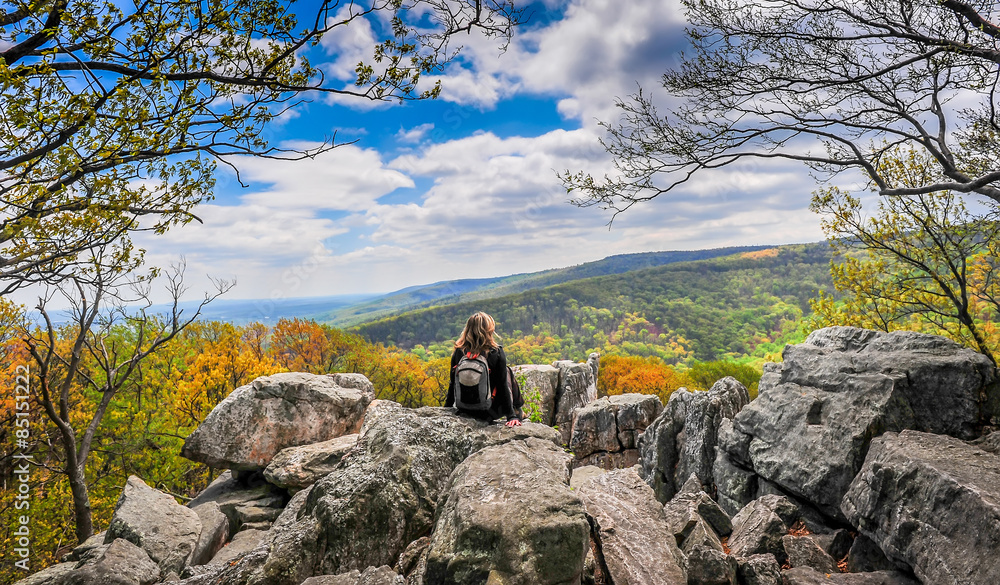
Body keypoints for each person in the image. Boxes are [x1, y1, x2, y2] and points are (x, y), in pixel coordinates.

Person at [445, 312, 522, 427]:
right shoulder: (496, 353)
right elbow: (502, 387)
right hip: (488, 412)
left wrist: (447, 410)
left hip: (464, 409)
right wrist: (511, 416)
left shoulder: (459, 351)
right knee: (506, 371)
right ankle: (517, 410)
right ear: (488, 330)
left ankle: (516, 410)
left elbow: (452, 384)